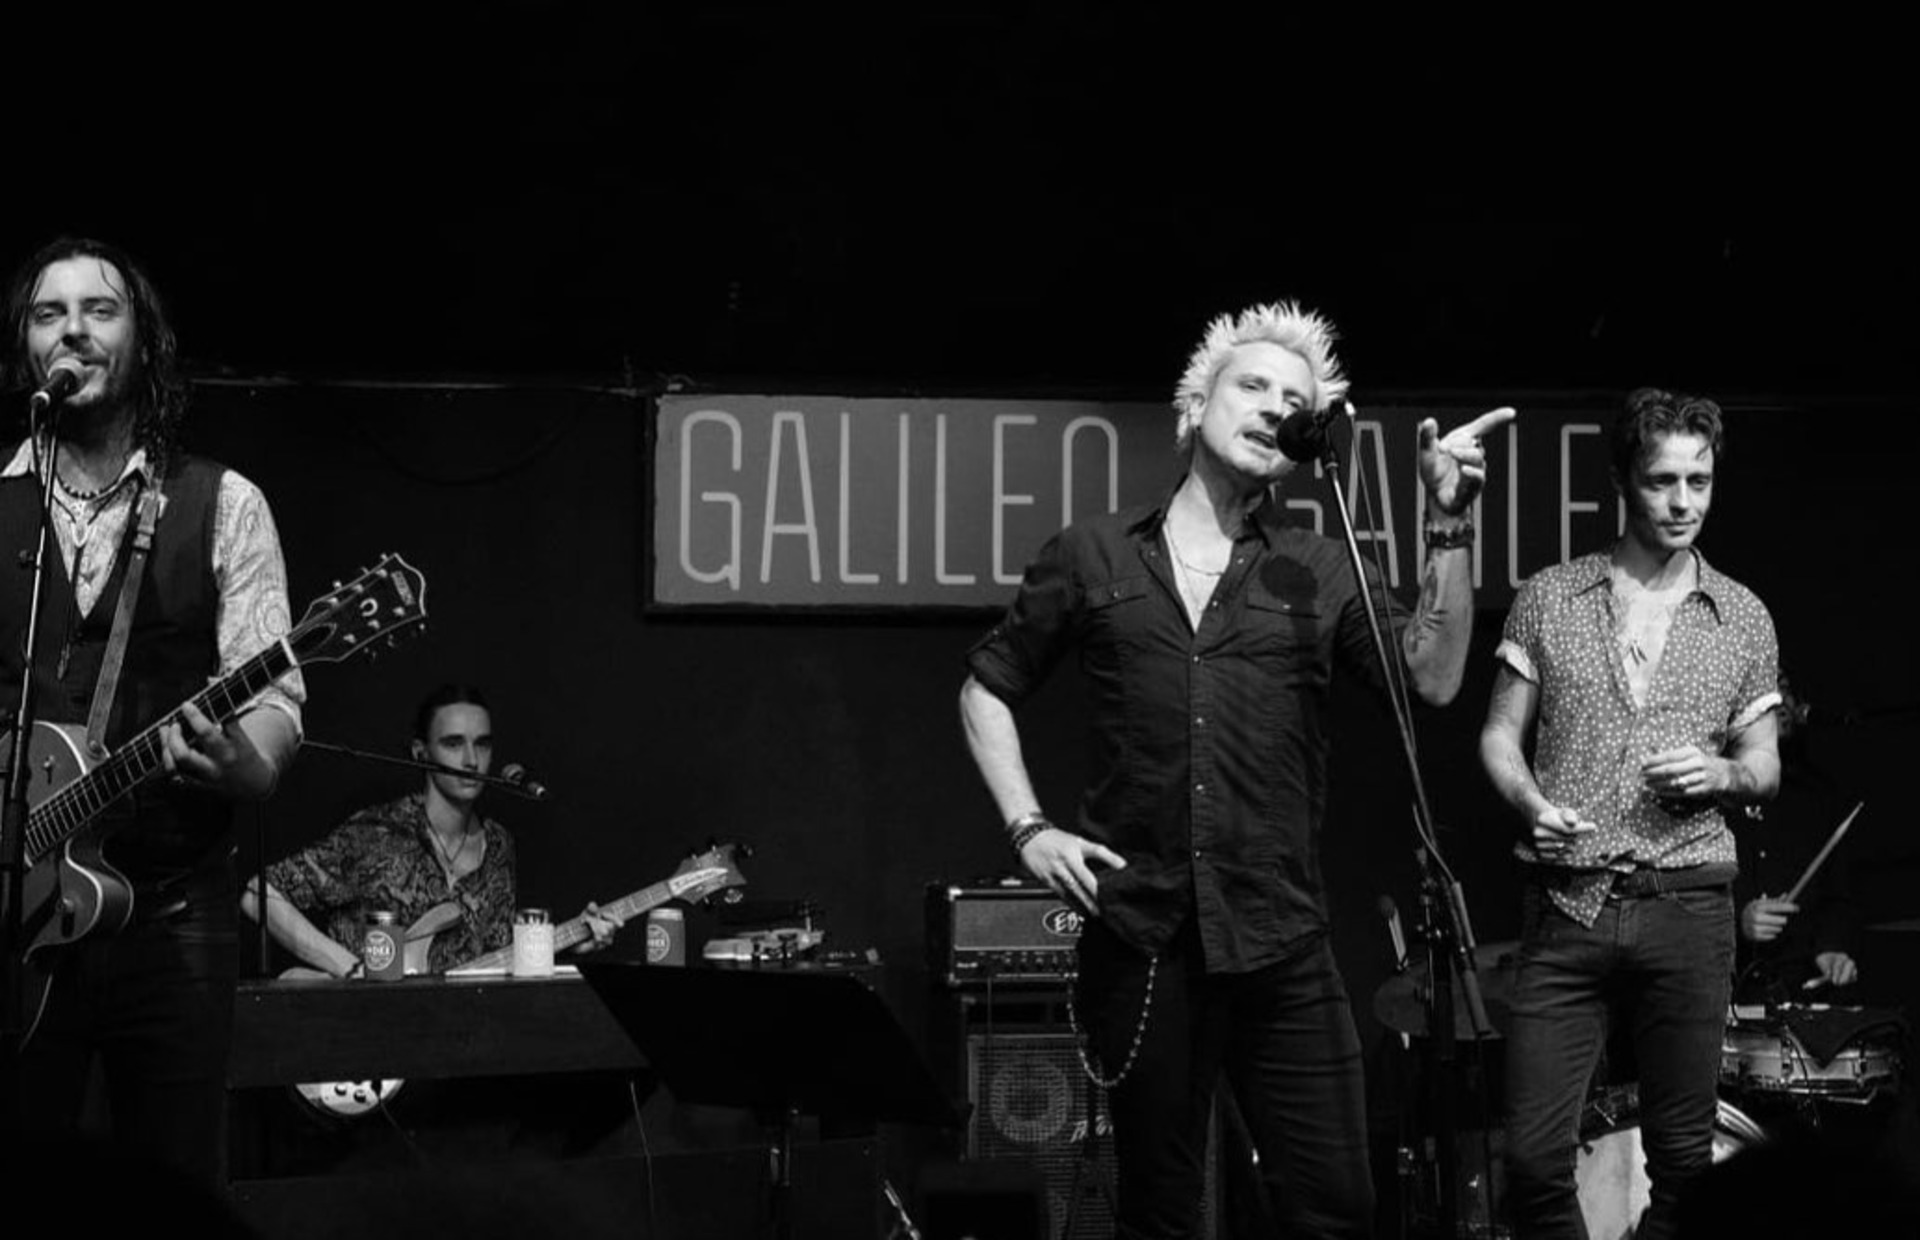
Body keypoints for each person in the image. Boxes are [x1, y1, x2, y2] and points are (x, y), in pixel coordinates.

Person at [960, 301, 1512, 1239]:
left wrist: (1447, 525)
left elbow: (1432, 676)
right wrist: (1029, 827)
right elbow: (987, 687)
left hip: (1280, 939)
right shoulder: (1093, 553)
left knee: (1338, 1206)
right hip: (1143, 940)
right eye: (1252, 385)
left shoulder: (1317, 569)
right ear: (1195, 405)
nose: (1273, 408)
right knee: (1162, 1213)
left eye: (1294, 402)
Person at [1, 236, 304, 1189]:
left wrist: (247, 763)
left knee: (174, 1183)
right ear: (25, 347)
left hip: (171, 909)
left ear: (142, 340)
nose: (73, 331)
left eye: (100, 310)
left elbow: (274, 696)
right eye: (49, 314)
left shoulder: (225, 503)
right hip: (14, 917)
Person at [1479, 388, 1781, 1240]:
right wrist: (1530, 802)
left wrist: (1722, 772)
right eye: (1661, 481)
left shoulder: (1741, 614)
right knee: (1533, 1162)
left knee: (1684, 1163)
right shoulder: (1552, 596)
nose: (1683, 502)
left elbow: (1765, 766)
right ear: (1621, 482)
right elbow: (1498, 736)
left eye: (1699, 481)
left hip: (1687, 902)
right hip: (1568, 904)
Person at [242, 684, 617, 977]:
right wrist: (350, 967)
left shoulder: (499, 844)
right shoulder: (379, 831)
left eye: (482, 745)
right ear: (421, 752)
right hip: (361, 1027)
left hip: (454, 1034)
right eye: (453, 744)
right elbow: (257, 894)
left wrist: (568, 944)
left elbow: (490, 964)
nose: (471, 760)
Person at [1733, 676, 1862, 1003]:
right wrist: (1738, 920)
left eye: (1785, 687)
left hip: (1800, 987)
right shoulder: (1714, 793)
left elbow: (1838, 896)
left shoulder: (1819, 795)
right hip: (1725, 988)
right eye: (1765, 687)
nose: (1780, 700)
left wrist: (1831, 947)